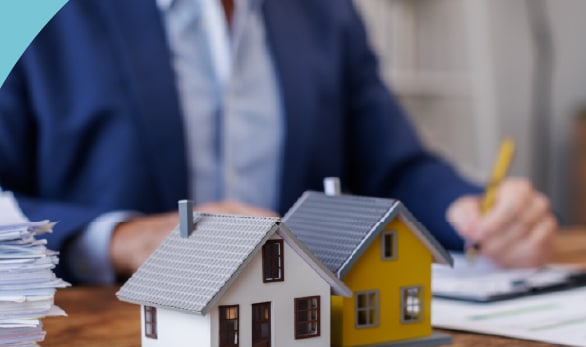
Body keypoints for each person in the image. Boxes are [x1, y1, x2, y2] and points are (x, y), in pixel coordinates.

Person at [0, 0, 556, 284]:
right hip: (87, 342)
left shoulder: (325, 11)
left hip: (290, 335)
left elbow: (393, 166)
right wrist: (119, 238)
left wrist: (472, 212)